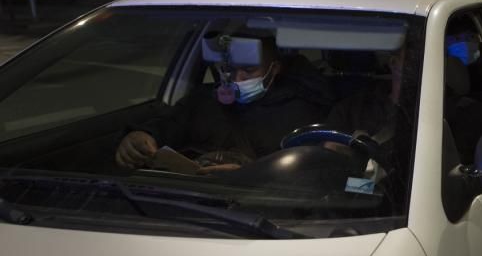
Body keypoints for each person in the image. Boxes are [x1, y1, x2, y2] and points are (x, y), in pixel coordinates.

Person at [115, 33, 332, 172]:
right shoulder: (202, 100)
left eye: (248, 70)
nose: (237, 80)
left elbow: (305, 174)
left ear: (273, 69)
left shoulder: (301, 110)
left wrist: (246, 172)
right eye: (229, 70)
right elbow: (169, 123)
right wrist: (142, 136)